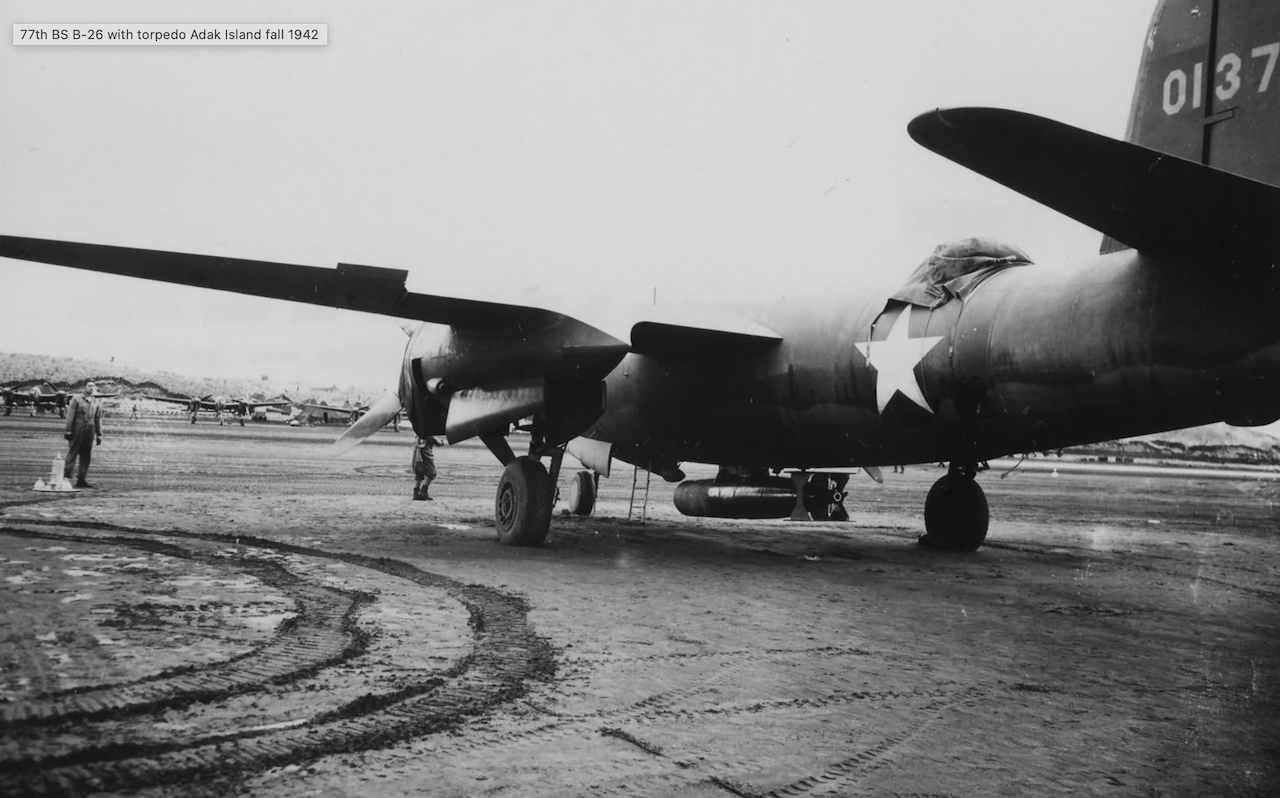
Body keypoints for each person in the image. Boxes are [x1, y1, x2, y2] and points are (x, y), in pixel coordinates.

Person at [63, 381, 104, 488]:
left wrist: (99, 434)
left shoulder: (96, 401)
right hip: (77, 430)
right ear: (84, 387)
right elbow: (70, 415)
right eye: (89, 386)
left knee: (86, 456)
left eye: (93, 386)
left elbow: (98, 419)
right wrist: (68, 430)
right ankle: (65, 479)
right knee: (72, 454)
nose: (91, 388)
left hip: (90, 431)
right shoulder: (76, 399)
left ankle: (81, 480)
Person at [412, 435, 440, 500]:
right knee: (432, 472)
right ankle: (423, 491)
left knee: (419, 473)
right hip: (427, 454)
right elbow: (438, 443)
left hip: (417, 453)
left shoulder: (418, 432)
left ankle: (416, 492)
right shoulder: (429, 433)